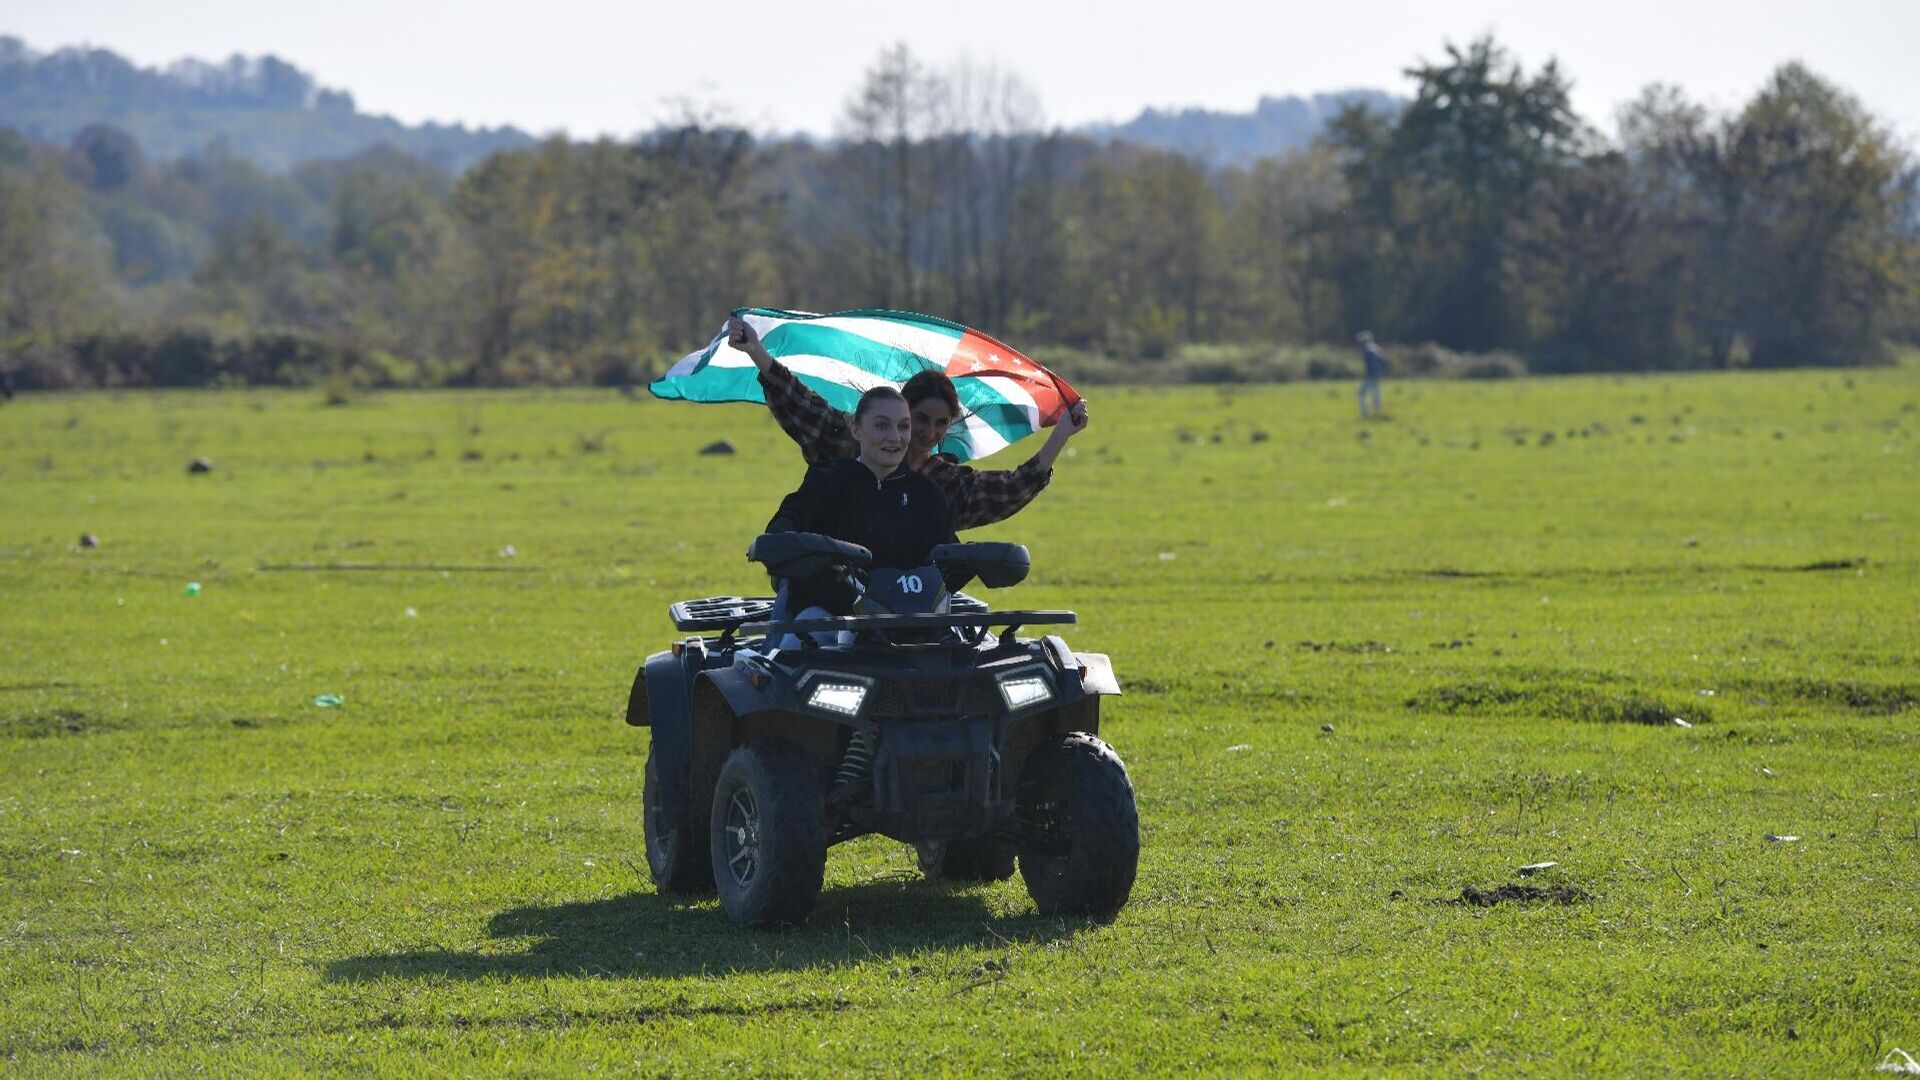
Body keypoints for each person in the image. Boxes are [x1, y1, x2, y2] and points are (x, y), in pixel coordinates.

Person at [726, 316, 1087, 530]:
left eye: (941, 423)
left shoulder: (941, 485)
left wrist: (1061, 435)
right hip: (828, 595)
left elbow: (1008, 488)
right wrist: (756, 352)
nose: (926, 433)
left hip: (910, 605)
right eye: (918, 420)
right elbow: (801, 402)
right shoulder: (844, 454)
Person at [764, 385, 957, 646]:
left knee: (965, 649)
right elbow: (787, 522)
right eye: (881, 425)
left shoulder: (927, 496)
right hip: (833, 615)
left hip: (911, 621)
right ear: (856, 428)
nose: (895, 437)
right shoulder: (828, 479)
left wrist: (978, 560)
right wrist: (782, 542)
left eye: (903, 427)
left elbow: (950, 556)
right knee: (799, 644)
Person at [1356, 331, 1387, 418]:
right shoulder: (1376, 348)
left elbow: (1372, 364)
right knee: (1376, 393)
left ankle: (1365, 412)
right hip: (1377, 374)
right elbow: (1383, 360)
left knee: (1361, 394)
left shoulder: (1368, 350)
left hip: (1372, 375)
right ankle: (1378, 413)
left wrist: (1370, 374)